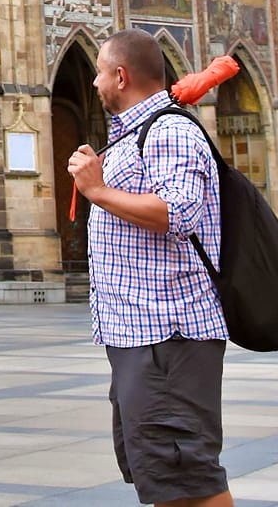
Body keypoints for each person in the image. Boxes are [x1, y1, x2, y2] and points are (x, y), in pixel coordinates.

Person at [67, 30, 234, 507]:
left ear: (120, 76)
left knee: (189, 475)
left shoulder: (170, 132)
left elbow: (179, 213)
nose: (95, 82)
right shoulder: (137, 134)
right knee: (165, 477)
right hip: (140, 334)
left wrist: (98, 191)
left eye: (100, 72)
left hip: (168, 333)